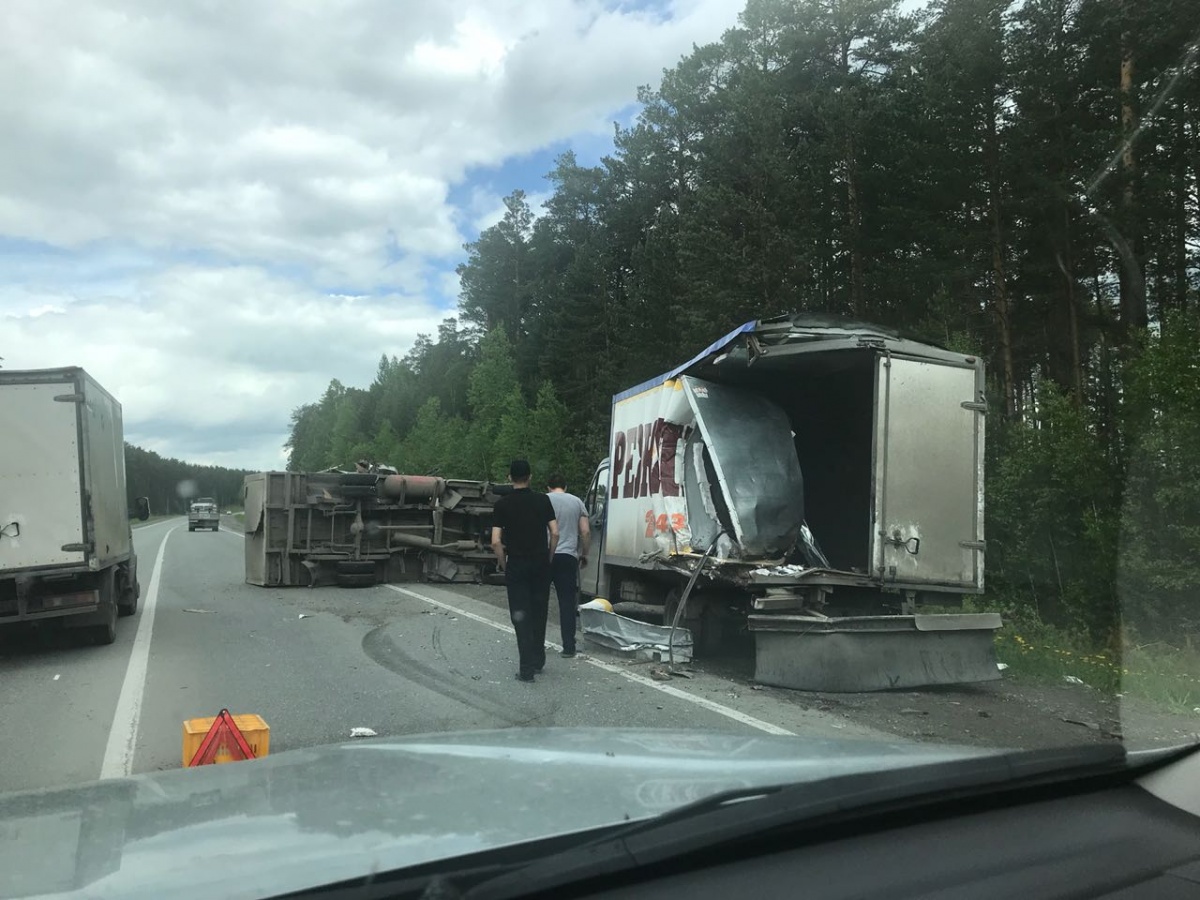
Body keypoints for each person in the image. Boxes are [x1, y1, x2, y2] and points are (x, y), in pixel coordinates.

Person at [491, 459, 558, 682]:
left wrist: (503, 562)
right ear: (530, 477)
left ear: (509, 478)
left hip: (517, 564)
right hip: (540, 563)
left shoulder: (502, 505)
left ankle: (526, 668)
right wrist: (548, 556)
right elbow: (555, 533)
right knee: (539, 612)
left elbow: (495, 541)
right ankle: (538, 660)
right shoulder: (542, 500)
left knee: (521, 615)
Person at [546, 474, 590, 658]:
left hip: (546, 555)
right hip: (568, 556)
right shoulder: (577, 502)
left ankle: (534, 643)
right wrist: (584, 553)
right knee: (567, 602)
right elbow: (585, 531)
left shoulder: (544, 500)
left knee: (540, 600)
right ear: (565, 485)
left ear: (548, 487)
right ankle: (569, 646)